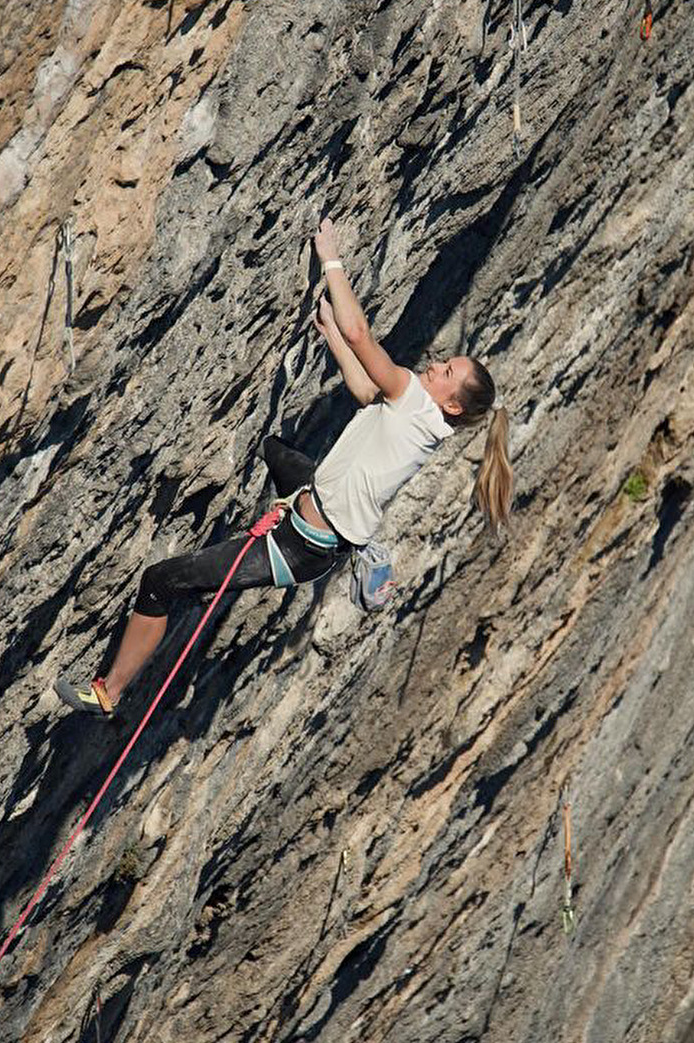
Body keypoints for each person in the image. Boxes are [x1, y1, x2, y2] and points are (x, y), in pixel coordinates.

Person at [56, 218, 512, 717]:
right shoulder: (425, 421)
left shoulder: (415, 401)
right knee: (274, 449)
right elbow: (365, 395)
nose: (436, 365)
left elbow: (362, 334)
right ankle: (241, 550)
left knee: (161, 580)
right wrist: (332, 338)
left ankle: (109, 693)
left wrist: (332, 259)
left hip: (297, 547)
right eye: (446, 362)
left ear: (452, 405)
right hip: (313, 511)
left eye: (447, 373)